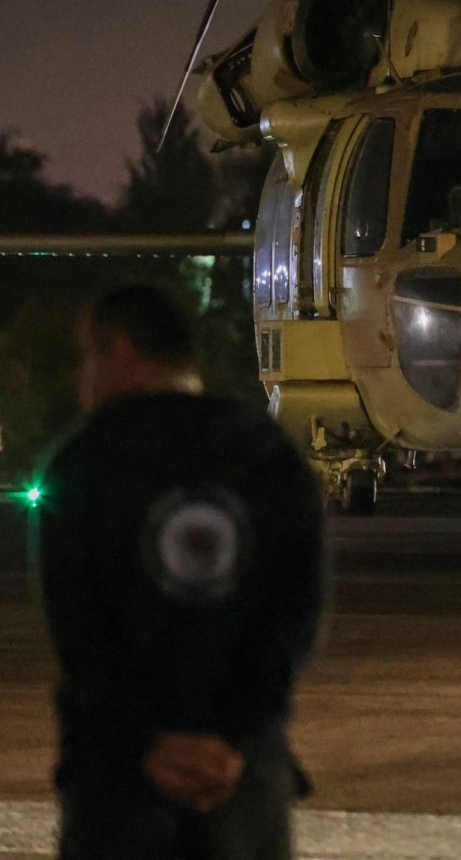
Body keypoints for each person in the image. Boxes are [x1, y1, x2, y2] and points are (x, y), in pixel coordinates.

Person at [31, 285, 327, 860]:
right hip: (240, 776)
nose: (80, 376)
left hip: (119, 779)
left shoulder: (85, 462)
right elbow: (296, 612)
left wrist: (148, 742)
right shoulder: (265, 453)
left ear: (119, 349)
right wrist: (233, 737)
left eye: (86, 355)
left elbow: (80, 633)